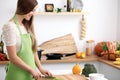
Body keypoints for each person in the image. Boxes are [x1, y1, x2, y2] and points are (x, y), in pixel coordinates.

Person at [2, 0, 52, 80]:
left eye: (34, 10)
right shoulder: (10, 27)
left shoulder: (26, 25)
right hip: (17, 76)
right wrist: (31, 69)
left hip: (30, 76)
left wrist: (40, 68)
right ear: (25, 8)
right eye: (32, 10)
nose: (33, 13)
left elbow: (33, 50)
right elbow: (12, 57)